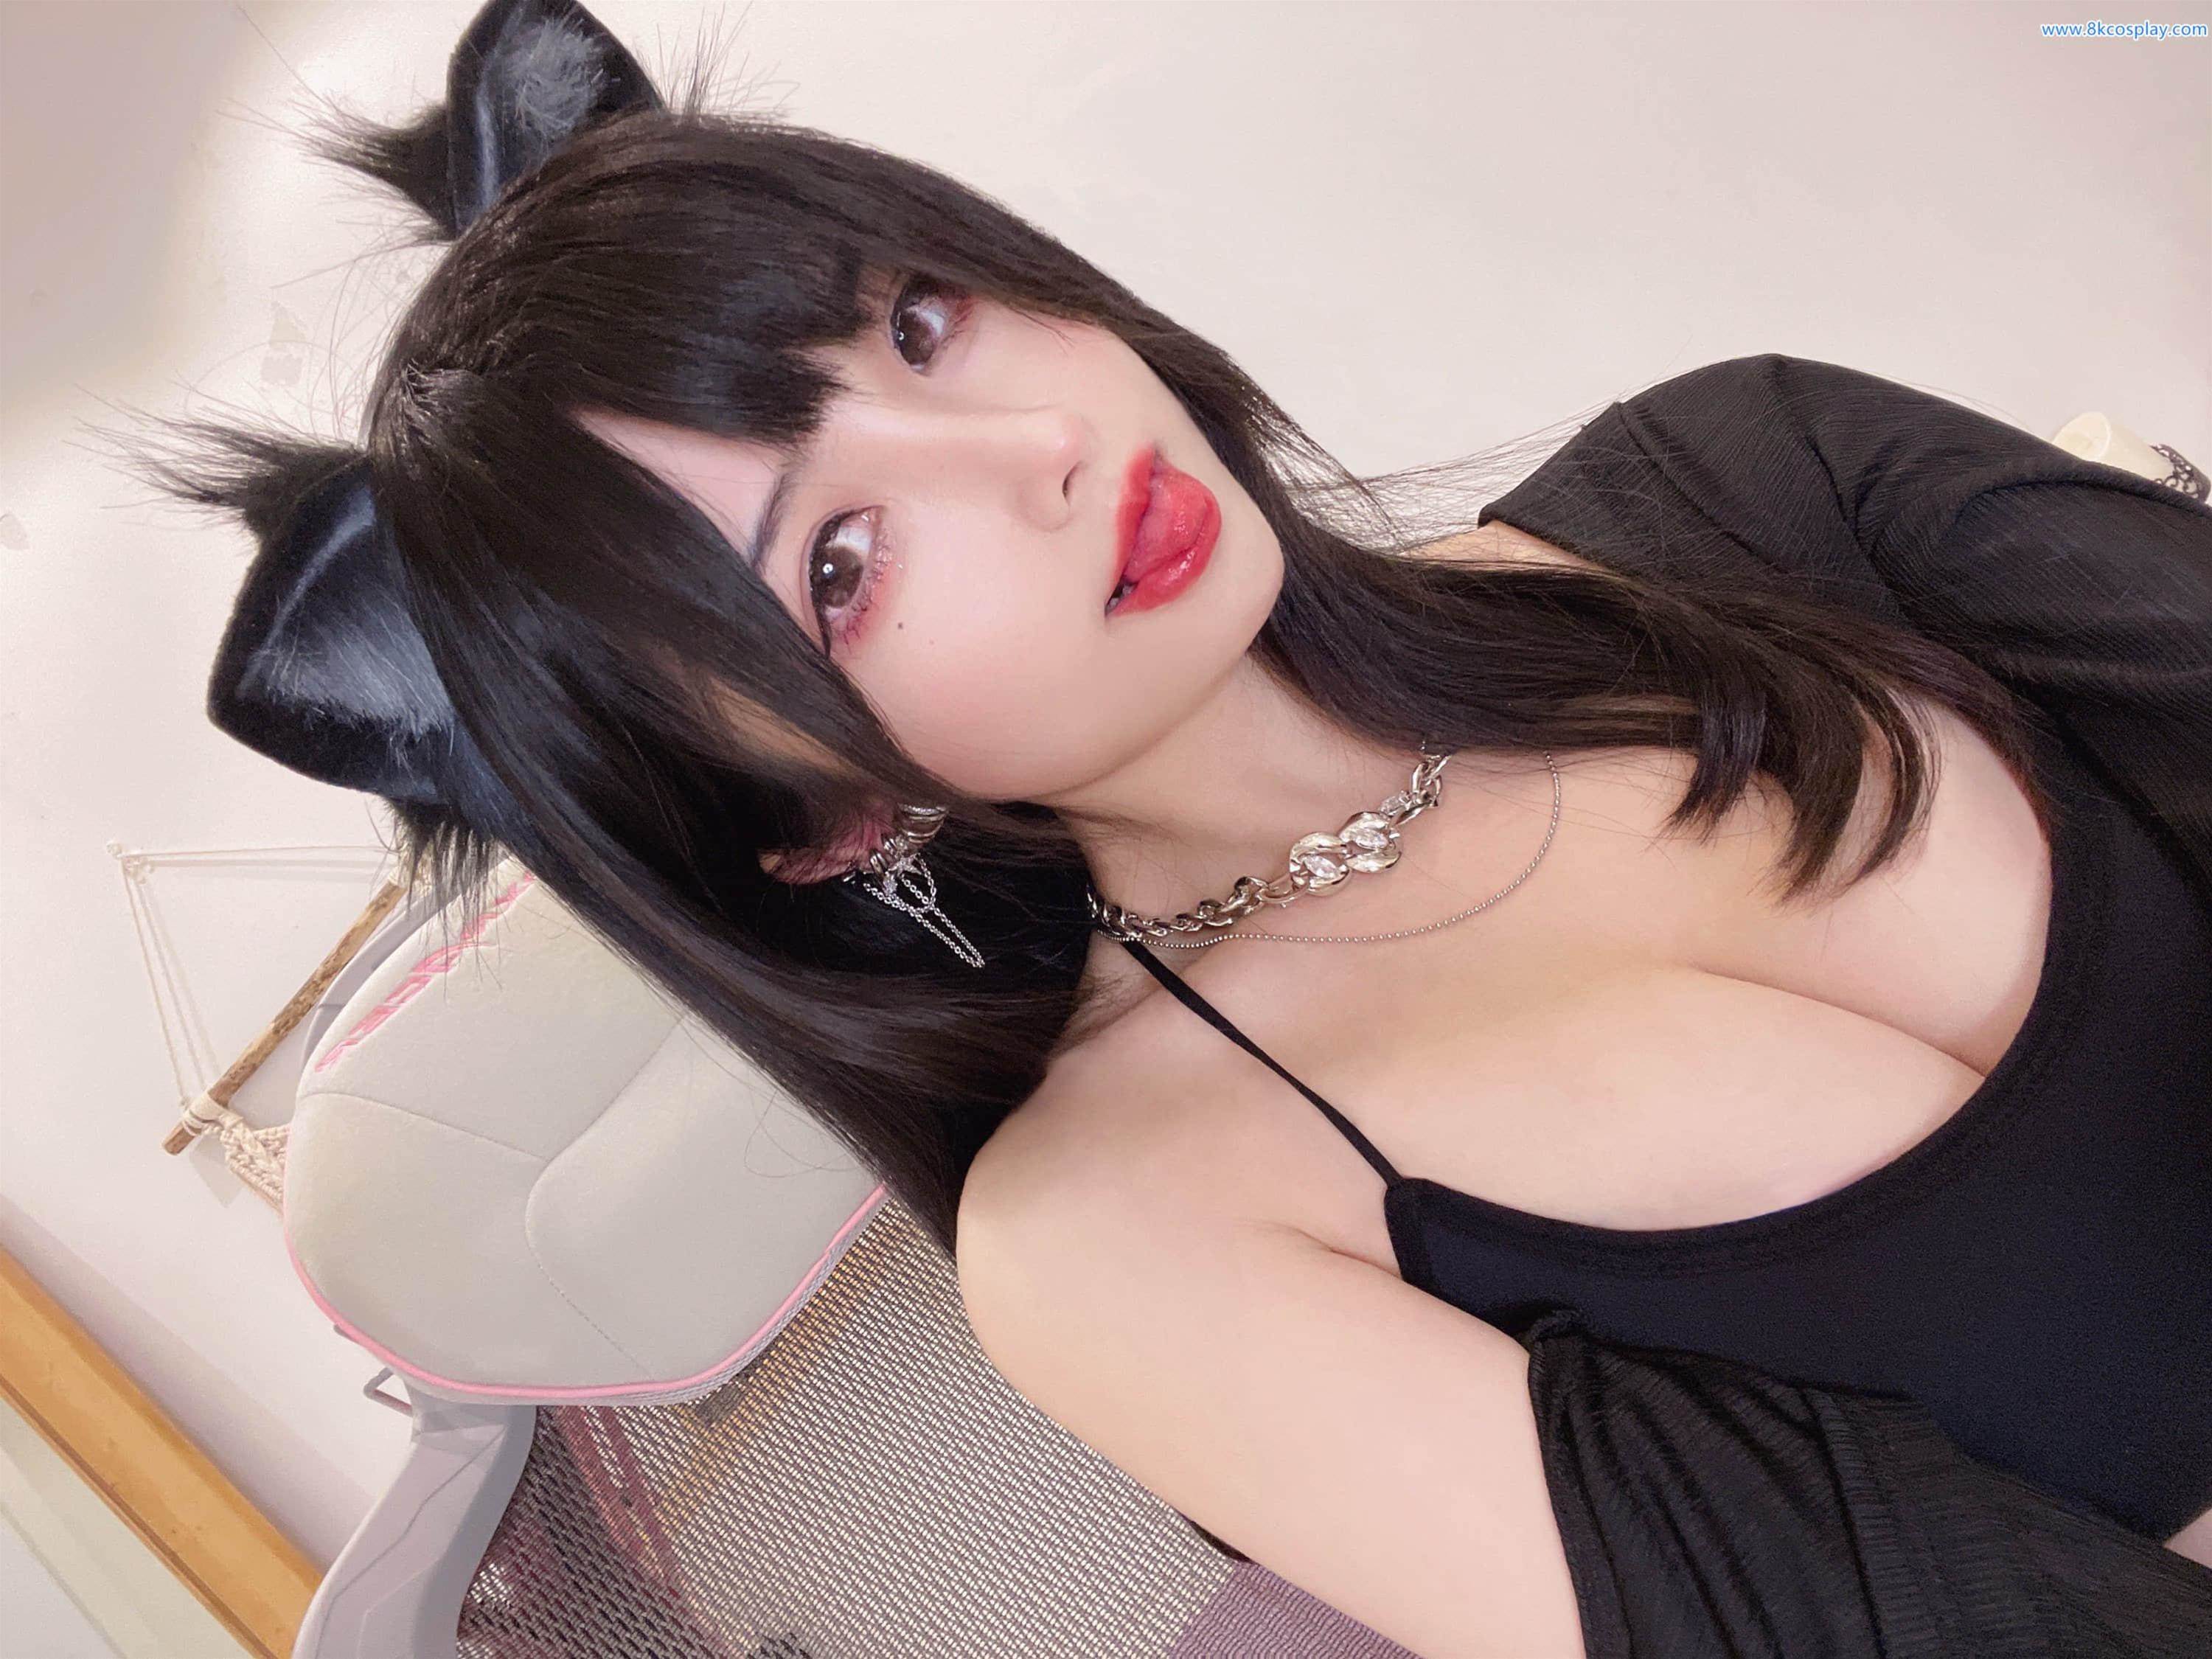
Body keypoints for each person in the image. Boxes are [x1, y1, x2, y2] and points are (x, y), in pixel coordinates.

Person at [130, 1, 2212, 1652]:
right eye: (840, 561)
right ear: (815, 819)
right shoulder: (1121, 1236)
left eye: (916, 323)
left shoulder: (1760, 470)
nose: (1039, 442)